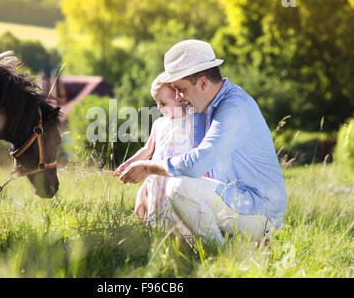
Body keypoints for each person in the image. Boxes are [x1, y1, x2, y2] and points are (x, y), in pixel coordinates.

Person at [118, 39, 287, 244]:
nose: (179, 97)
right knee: (174, 224)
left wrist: (148, 168)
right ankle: (222, 251)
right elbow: (179, 157)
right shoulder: (201, 111)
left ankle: (218, 261)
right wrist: (147, 185)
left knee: (179, 188)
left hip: (259, 211)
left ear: (203, 83)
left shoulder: (234, 107)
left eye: (181, 89)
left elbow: (196, 164)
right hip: (232, 202)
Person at [115, 76, 224, 242]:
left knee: (182, 218)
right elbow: (148, 149)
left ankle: (187, 246)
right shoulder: (159, 124)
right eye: (156, 103)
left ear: (179, 97)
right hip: (158, 181)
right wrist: (129, 163)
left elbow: (199, 152)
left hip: (178, 178)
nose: (159, 107)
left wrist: (205, 173)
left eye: (163, 103)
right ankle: (161, 247)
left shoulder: (193, 121)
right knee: (159, 221)